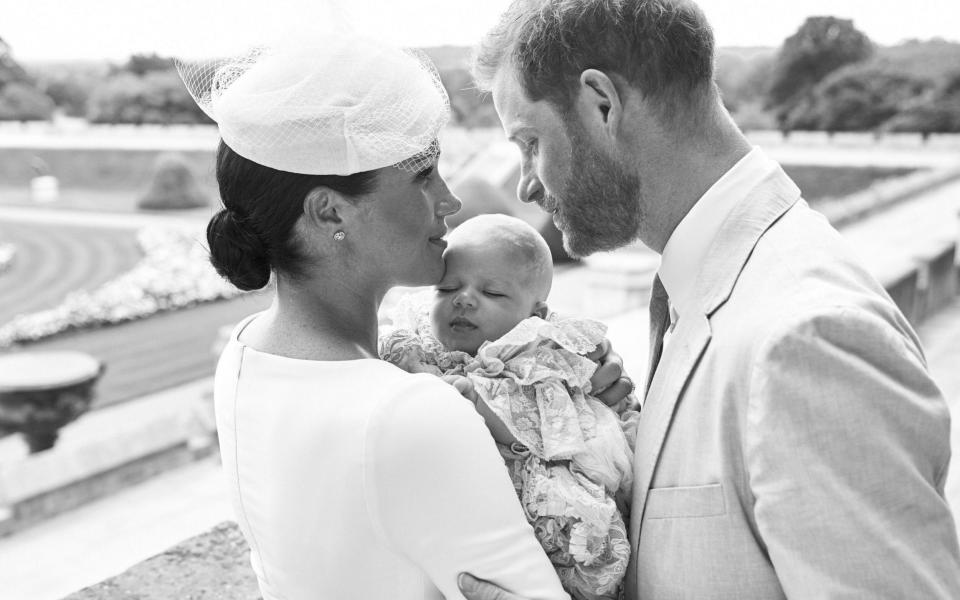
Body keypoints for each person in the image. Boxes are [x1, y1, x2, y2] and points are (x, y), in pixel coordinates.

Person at [458, 1, 960, 599]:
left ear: (601, 104)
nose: (526, 184)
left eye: (530, 141)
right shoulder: (710, 286)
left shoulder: (809, 336)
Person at [178, 30, 630, 600]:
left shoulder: (245, 352)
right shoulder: (410, 411)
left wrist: (550, 374)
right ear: (328, 210)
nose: (450, 200)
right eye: (423, 176)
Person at [380, 214, 638, 600]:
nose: (464, 298)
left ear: (534, 316)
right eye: (447, 287)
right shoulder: (416, 341)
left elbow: (545, 428)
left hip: (536, 490)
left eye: (494, 293)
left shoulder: (538, 355)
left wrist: (474, 403)